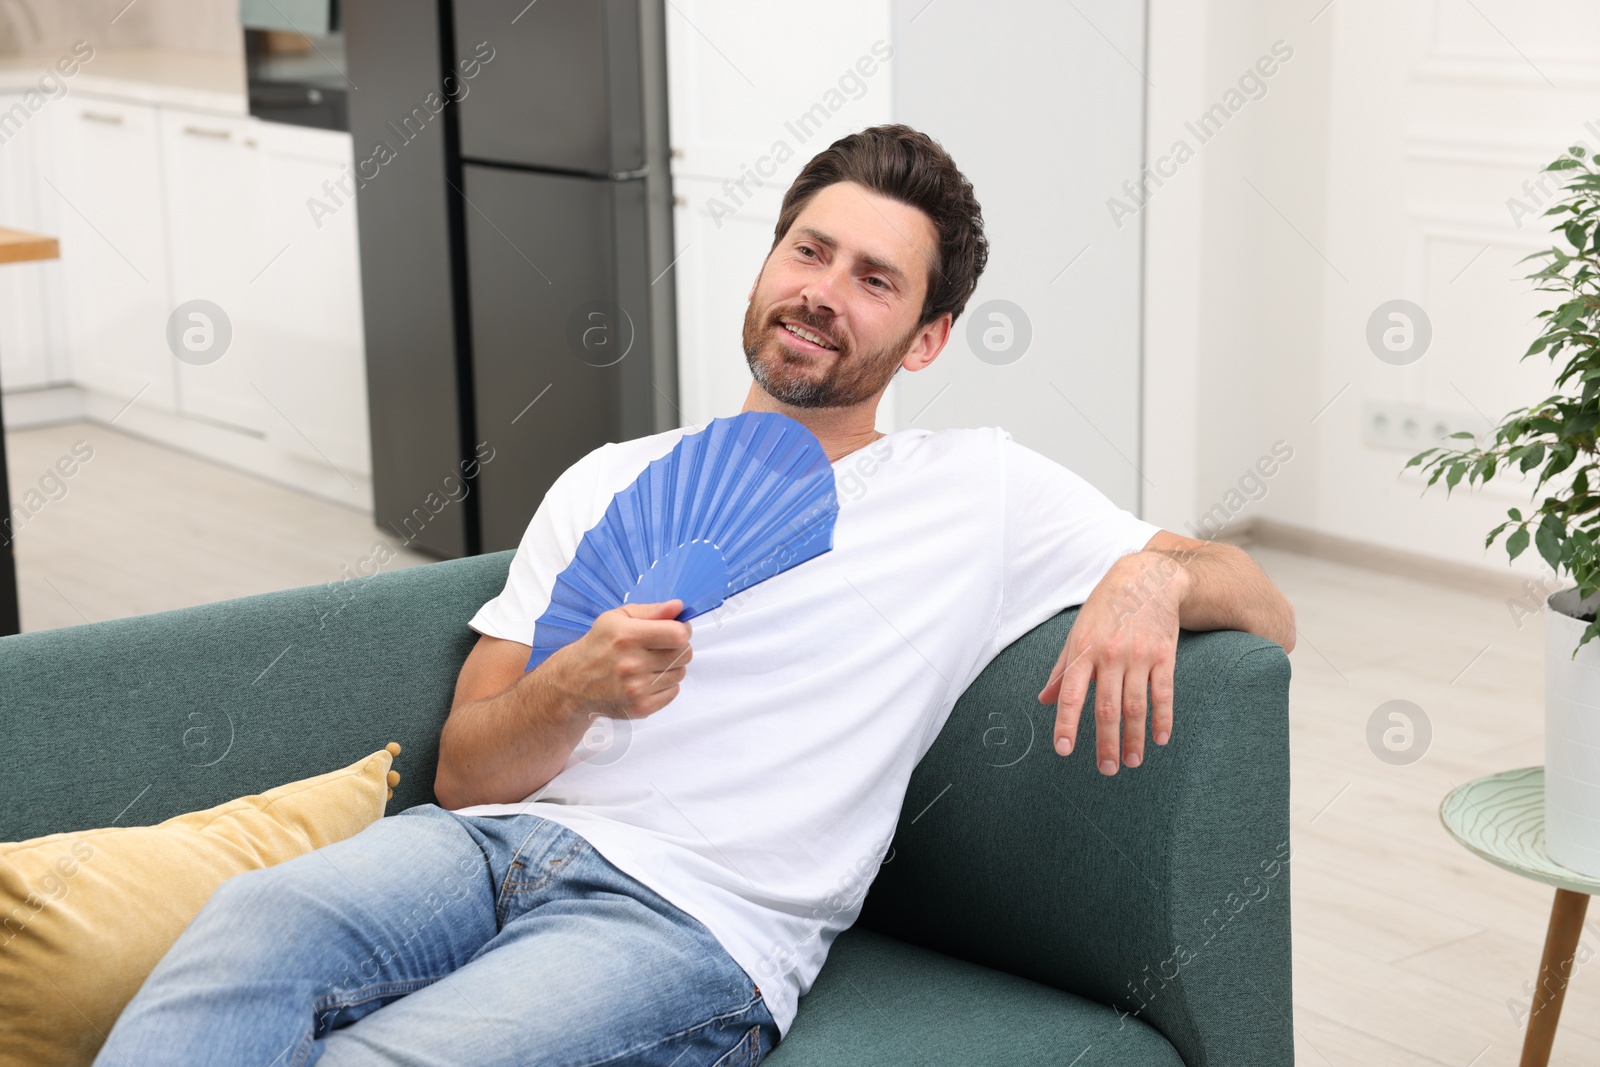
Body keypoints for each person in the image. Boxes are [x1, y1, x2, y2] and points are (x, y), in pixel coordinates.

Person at [95, 124, 1296, 1067]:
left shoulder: (979, 490)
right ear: (769, 262)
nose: (823, 290)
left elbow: (1264, 605)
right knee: (246, 933)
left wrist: (1150, 571)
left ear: (926, 340)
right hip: (486, 844)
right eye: (808, 251)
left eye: (875, 279)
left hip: (693, 921)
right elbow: (464, 771)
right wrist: (569, 688)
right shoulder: (608, 477)